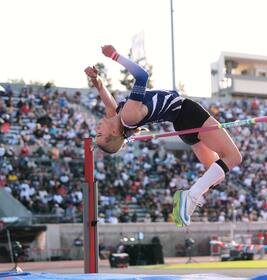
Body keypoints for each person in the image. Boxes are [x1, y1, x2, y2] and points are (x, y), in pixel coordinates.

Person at [85, 45, 242, 228]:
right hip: (188, 113)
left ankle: (192, 199)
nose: (97, 127)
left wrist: (97, 81)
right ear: (113, 133)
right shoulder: (128, 115)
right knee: (233, 157)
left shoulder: (119, 118)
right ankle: (190, 196)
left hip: (181, 125)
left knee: (216, 173)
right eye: (99, 133)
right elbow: (142, 76)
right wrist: (115, 56)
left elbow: (107, 99)